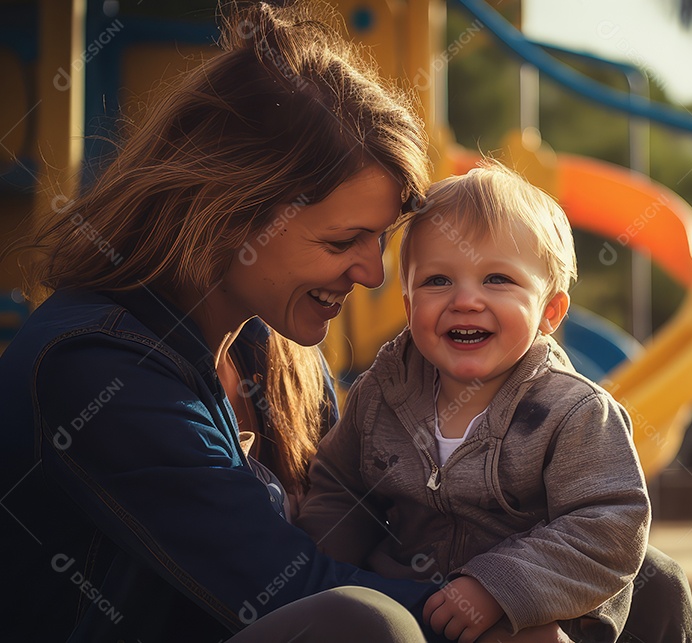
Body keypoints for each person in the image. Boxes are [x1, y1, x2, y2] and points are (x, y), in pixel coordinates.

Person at [0, 2, 438, 640]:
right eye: (345, 241)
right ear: (231, 214)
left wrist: (531, 582)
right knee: (366, 626)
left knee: (631, 579)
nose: (372, 274)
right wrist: (491, 621)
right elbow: (284, 588)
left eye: (380, 241)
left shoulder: (278, 354)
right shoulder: (93, 366)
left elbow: (363, 533)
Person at [298, 162, 652, 643]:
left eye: (498, 280)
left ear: (549, 311)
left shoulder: (573, 413)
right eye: (437, 281)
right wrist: (317, 567)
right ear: (408, 306)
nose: (466, 300)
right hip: (411, 603)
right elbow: (341, 489)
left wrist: (498, 587)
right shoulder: (381, 394)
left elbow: (610, 525)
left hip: (530, 612)